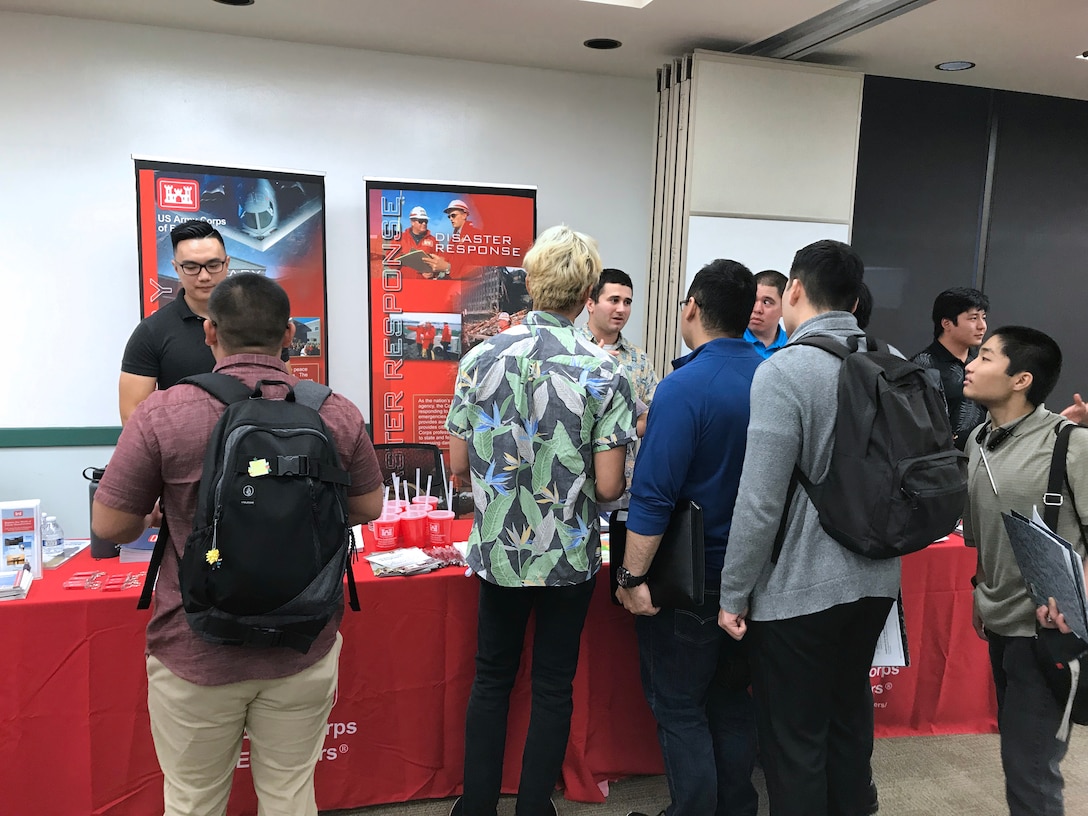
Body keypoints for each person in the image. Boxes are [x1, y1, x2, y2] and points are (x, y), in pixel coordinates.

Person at [92, 274, 384, 816]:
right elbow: (368, 508)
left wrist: (158, 514)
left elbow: (110, 525)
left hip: (195, 644)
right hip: (303, 641)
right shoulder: (335, 411)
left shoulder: (164, 411)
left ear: (209, 332)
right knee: (291, 795)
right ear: (290, 333)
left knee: (194, 800)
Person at [445, 225, 636, 816]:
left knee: (491, 678)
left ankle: (476, 805)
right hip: (570, 552)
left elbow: (456, 471)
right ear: (587, 295)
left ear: (527, 284)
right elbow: (608, 486)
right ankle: (534, 806)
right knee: (553, 685)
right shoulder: (604, 370)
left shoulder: (478, 358)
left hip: (499, 546)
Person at [718, 239, 899, 816]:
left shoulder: (786, 371)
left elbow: (760, 502)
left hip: (799, 589)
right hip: (877, 581)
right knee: (848, 719)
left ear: (794, 289)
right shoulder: (892, 362)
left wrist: (733, 592)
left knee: (794, 740)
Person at [616, 259, 761, 816]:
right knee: (731, 699)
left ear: (692, 308)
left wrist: (630, 577)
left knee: (679, 706)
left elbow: (653, 497)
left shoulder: (684, 386)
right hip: (755, 577)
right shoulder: (771, 374)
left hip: (691, 578)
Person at [960, 325, 1087, 816]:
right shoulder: (978, 438)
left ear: (1021, 379)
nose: (970, 363)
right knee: (1018, 757)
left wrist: (1077, 607)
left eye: (986, 357)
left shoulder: (1070, 444)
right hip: (999, 620)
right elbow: (983, 532)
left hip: (1050, 631)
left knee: (1031, 767)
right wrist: (979, 588)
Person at [119, 220, 228, 424]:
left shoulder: (256, 319)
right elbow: (132, 415)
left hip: (252, 450)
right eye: (191, 267)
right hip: (184, 452)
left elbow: (283, 390)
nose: (204, 276)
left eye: (213, 265)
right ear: (176, 268)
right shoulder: (152, 331)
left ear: (227, 264)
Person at [581, 267, 660, 509]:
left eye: (627, 302)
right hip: (577, 483)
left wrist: (621, 429)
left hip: (624, 488)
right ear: (590, 304)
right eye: (613, 300)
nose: (621, 309)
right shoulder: (572, 351)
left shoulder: (637, 358)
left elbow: (653, 416)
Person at [910, 287, 990, 450]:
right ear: (947, 323)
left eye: (983, 317)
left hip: (982, 458)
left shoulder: (982, 362)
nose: (982, 326)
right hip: (943, 462)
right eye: (973, 318)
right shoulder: (923, 366)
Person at [743, 269, 788, 359]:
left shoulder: (792, 345)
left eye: (766, 302)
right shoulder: (732, 340)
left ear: (784, 308)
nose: (757, 309)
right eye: (753, 300)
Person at [398, 206, 444, 279]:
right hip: (405, 284)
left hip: (425, 286)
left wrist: (433, 273)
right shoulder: (400, 238)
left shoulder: (433, 241)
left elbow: (440, 262)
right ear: (412, 222)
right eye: (420, 221)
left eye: (426, 221)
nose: (424, 223)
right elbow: (391, 263)